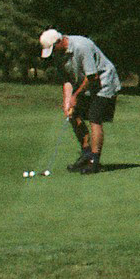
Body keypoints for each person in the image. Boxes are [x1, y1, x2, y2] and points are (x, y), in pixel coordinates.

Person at [38, 29, 120, 174]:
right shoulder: (58, 55)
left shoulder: (82, 46)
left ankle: (94, 160)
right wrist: (67, 101)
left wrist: (75, 96)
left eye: (53, 49)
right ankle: (86, 153)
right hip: (86, 84)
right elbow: (67, 80)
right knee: (73, 114)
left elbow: (92, 76)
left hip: (104, 82)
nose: (53, 53)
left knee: (95, 117)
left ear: (59, 41)